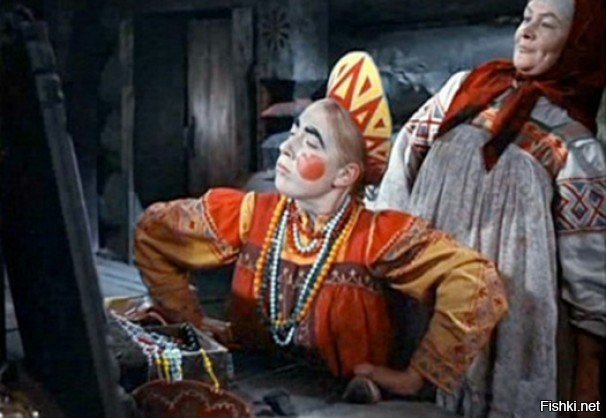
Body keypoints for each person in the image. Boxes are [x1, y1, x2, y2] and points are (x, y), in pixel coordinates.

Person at [134, 52, 508, 401]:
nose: (286, 148)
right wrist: (191, 322)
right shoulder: (252, 214)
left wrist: (416, 377)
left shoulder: (375, 235)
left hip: (344, 401)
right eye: (293, 132)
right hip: (252, 381)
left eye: (310, 143)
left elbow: (475, 279)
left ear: (345, 174)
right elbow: (155, 231)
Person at [373, 0, 605, 416]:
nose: (526, 31)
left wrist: (586, 400)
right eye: (526, 17)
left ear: (578, 42)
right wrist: (388, 244)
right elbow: (405, 159)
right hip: (430, 286)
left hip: (512, 312)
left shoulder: (576, 146)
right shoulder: (467, 89)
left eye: (547, 24)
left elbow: (589, 271)